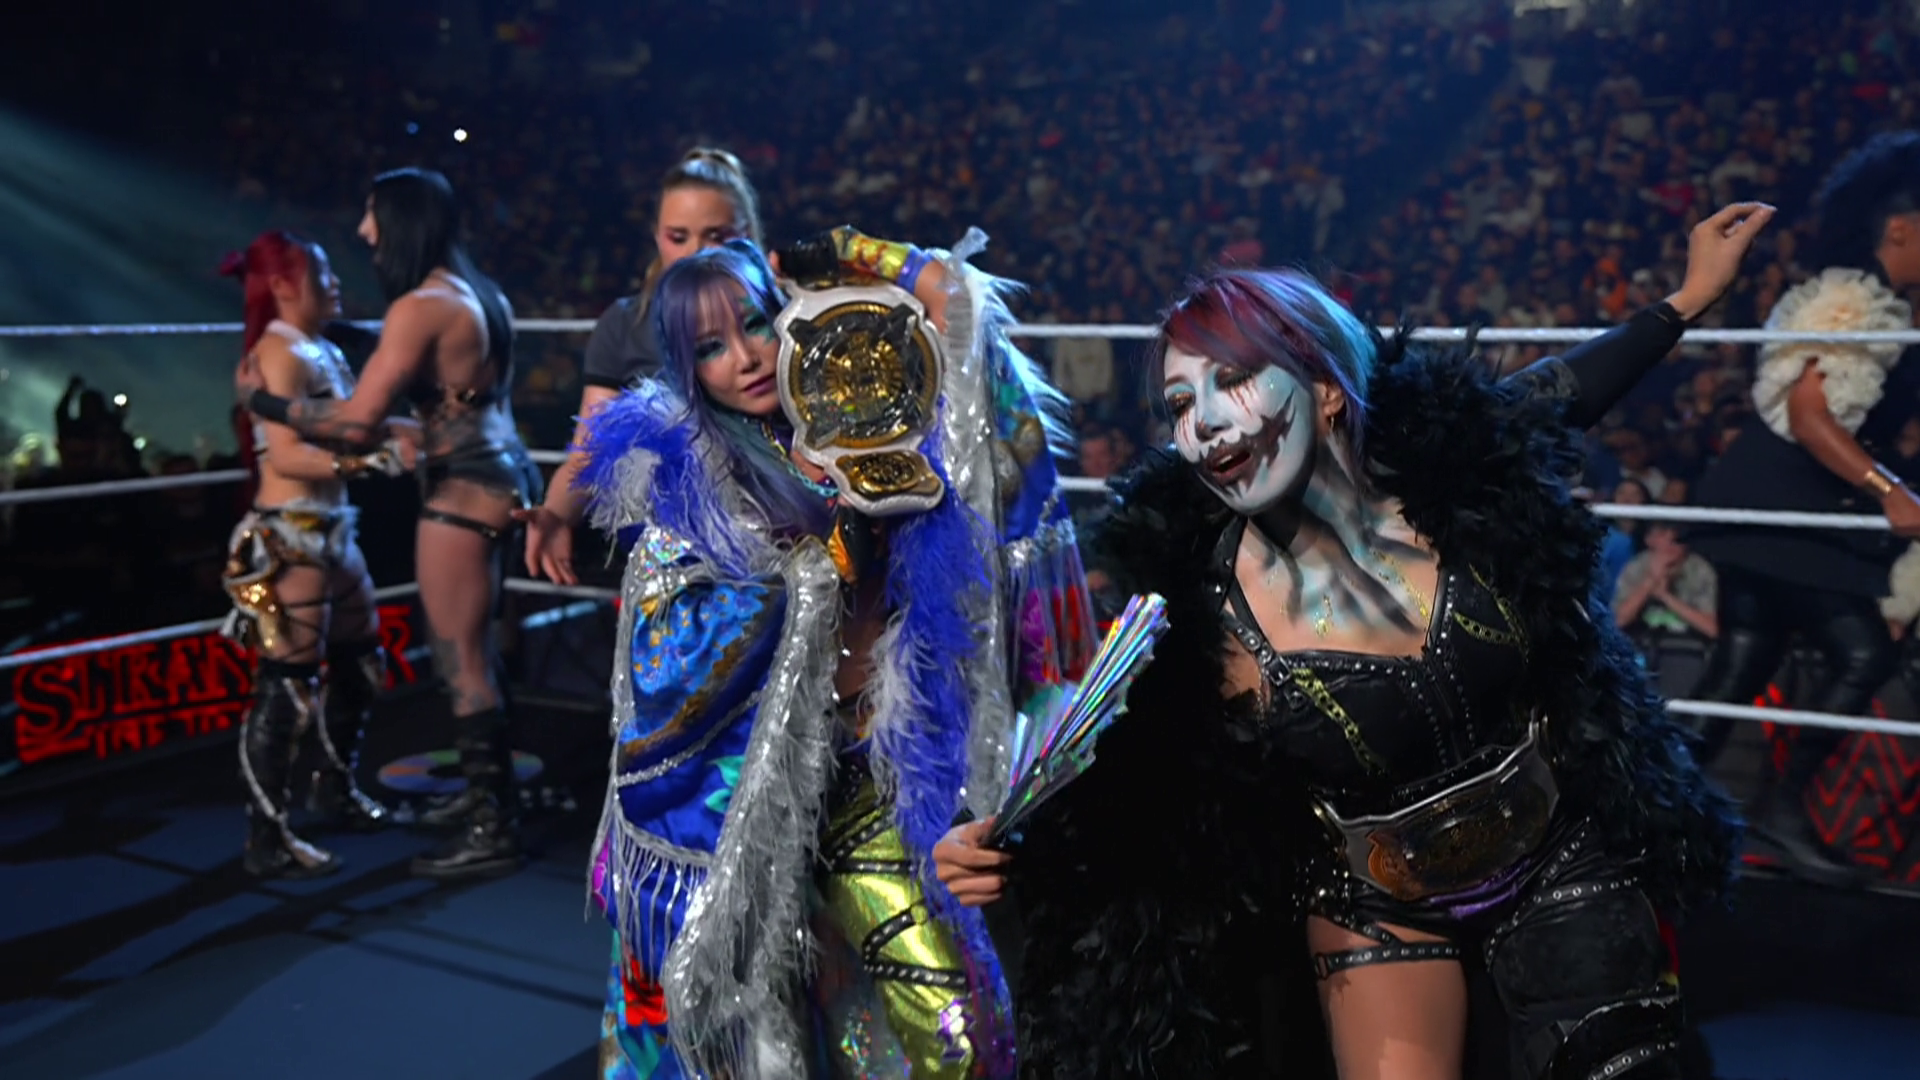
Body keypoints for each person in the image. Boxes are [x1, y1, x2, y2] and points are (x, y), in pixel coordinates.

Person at [936, 203, 1770, 1079]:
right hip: (1372, 897)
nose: (1204, 421)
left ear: (1326, 388)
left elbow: (1563, 392)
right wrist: (1007, 844)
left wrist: (1685, 300)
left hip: (1559, 852)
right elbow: (1129, 784)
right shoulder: (1196, 622)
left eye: (1234, 379)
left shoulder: (1458, 475)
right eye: (1181, 403)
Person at [577, 230, 1091, 1078]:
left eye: (755, 322)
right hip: (736, 829)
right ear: (685, 369)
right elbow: (670, 658)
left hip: (866, 789)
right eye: (710, 347)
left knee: (966, 1038)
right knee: (752, 1050)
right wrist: (817, 570)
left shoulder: (866, 415)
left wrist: (863, 253)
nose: (746, 356)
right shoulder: (684, 484)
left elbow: (967, 340)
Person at [238, 168, 543, 881]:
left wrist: (266, 404)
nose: (364, 231)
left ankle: (493, 826)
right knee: (480, 648)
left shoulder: (421, 305)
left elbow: (353, 423)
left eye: (373, 215)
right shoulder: (479, 293)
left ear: (403, 221)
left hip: (462, 491)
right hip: (505, 472)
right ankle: (484, 800)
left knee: (461, 660)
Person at [1686, 133, 1920, 887]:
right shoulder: (1860, 302)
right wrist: (1890, 490)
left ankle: (1645, 809)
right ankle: (1778, 813)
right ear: (1899, 228)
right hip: (1785, 502)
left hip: (1761, 499)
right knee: (1863, 653)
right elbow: (1812, 415)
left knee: (1742, 662)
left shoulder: (1872, 300)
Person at [218, 230, 402, 879]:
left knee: (362, 660)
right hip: (291, 535)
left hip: (332, 528)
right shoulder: (279, 350)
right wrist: (372, 461)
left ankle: (333, 788)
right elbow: (290, 455)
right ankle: (266, 834)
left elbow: (346, 426)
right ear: (282, 286)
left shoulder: (320, 346)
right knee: (288, 687)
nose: (335, 283)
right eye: (322, 274)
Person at [518, 147, 763, 585]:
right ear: (657, 237)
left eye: (715, 235)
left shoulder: (783, 312)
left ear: (746, 234)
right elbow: (589, 449)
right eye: (678, 236)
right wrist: (556, 513)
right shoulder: (625, 325)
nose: (695, 252)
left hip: (780, 542)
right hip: (672, 562)